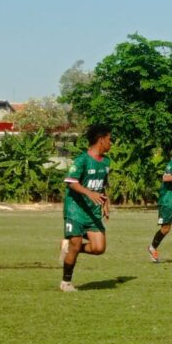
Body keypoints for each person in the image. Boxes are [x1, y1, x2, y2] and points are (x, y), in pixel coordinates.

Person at [59, 124, 112, 292]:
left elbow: (102, 185)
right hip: (75, 210)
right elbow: (71, 182)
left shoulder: (106, 162)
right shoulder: (82, 160)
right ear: (101, 139)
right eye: (109, 139)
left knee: (99, 248)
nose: (111, 143)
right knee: (75, 244)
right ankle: (66, 282)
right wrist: (90, 193)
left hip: (93, 211)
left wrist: (105, 202)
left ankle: (68, 247)